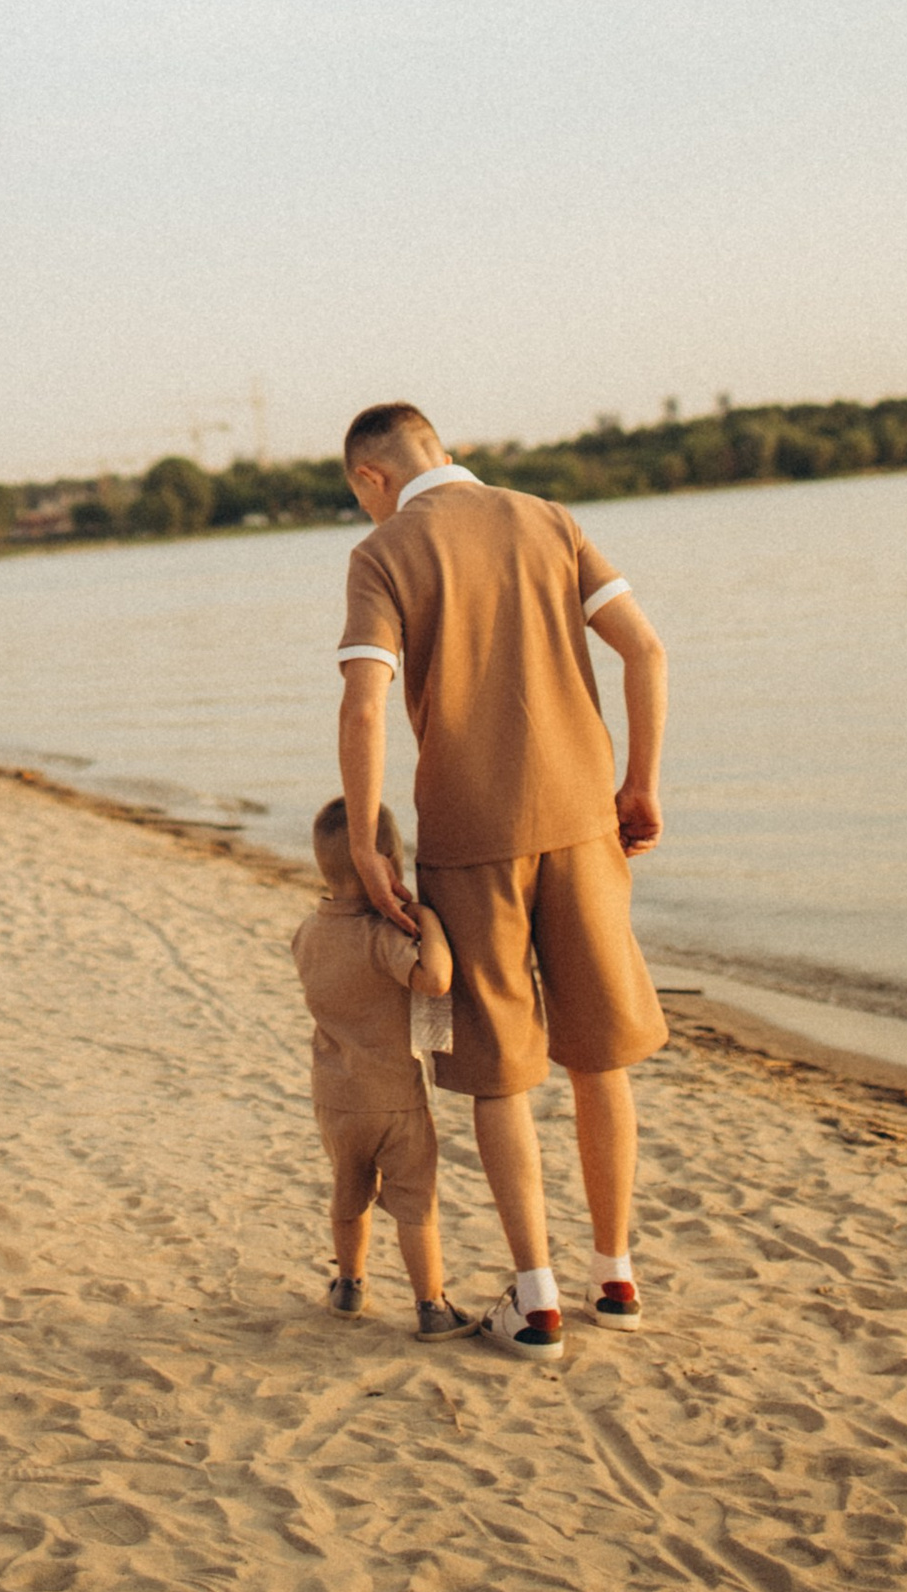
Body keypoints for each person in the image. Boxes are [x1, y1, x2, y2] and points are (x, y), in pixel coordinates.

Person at [333, 402, 669, 1366]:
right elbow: (644, 648)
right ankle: (617, 1276)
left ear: (371, 477)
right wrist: (638, 782)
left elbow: (364, 702)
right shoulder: (549, 519)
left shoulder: (386, 552)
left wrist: (366, 841)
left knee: (496, 1068)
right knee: (599, 1055)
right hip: (583, 819)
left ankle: (537, 1302)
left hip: (471, 835)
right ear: (443, 450)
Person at [292, 797, 476, 1340]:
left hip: (335, 1097)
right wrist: (430, 920)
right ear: (390, 868)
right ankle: (431, 1306)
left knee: (348, 1192)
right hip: (395, 1099)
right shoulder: (385, 937)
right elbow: (435, 979)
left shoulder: (308, 933)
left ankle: (349, 1284)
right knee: (416, 1201)